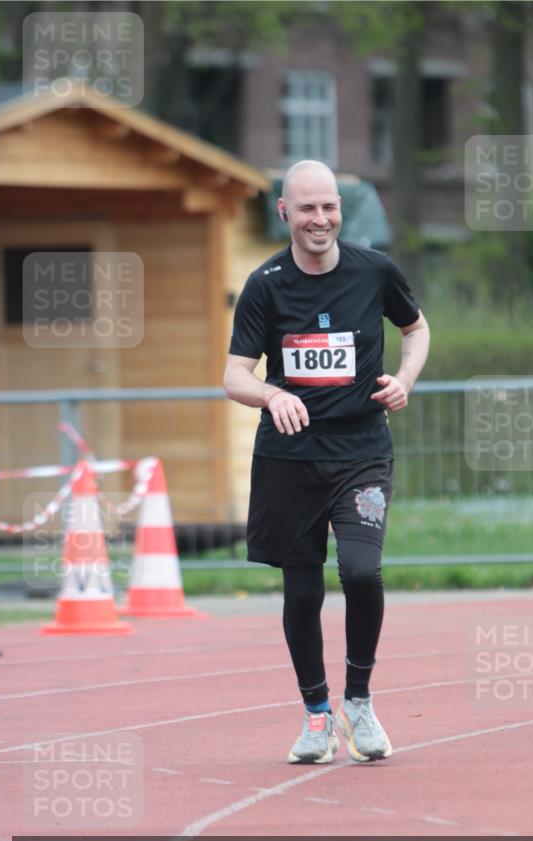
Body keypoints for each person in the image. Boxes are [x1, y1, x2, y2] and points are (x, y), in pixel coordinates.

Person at [223, 160, 430, 765]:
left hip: (362, 450)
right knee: (302, 589)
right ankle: (317, 714)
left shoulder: (373, 271)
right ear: (284, 212)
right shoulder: (267, 284)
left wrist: (405, 379)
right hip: (291, 458)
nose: (321, 219)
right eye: (308, 208)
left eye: (330, 207)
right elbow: (234, 375)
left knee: (362, 572)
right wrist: (273, 392)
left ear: (342, 210)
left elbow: (416, 331)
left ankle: (358, 701)